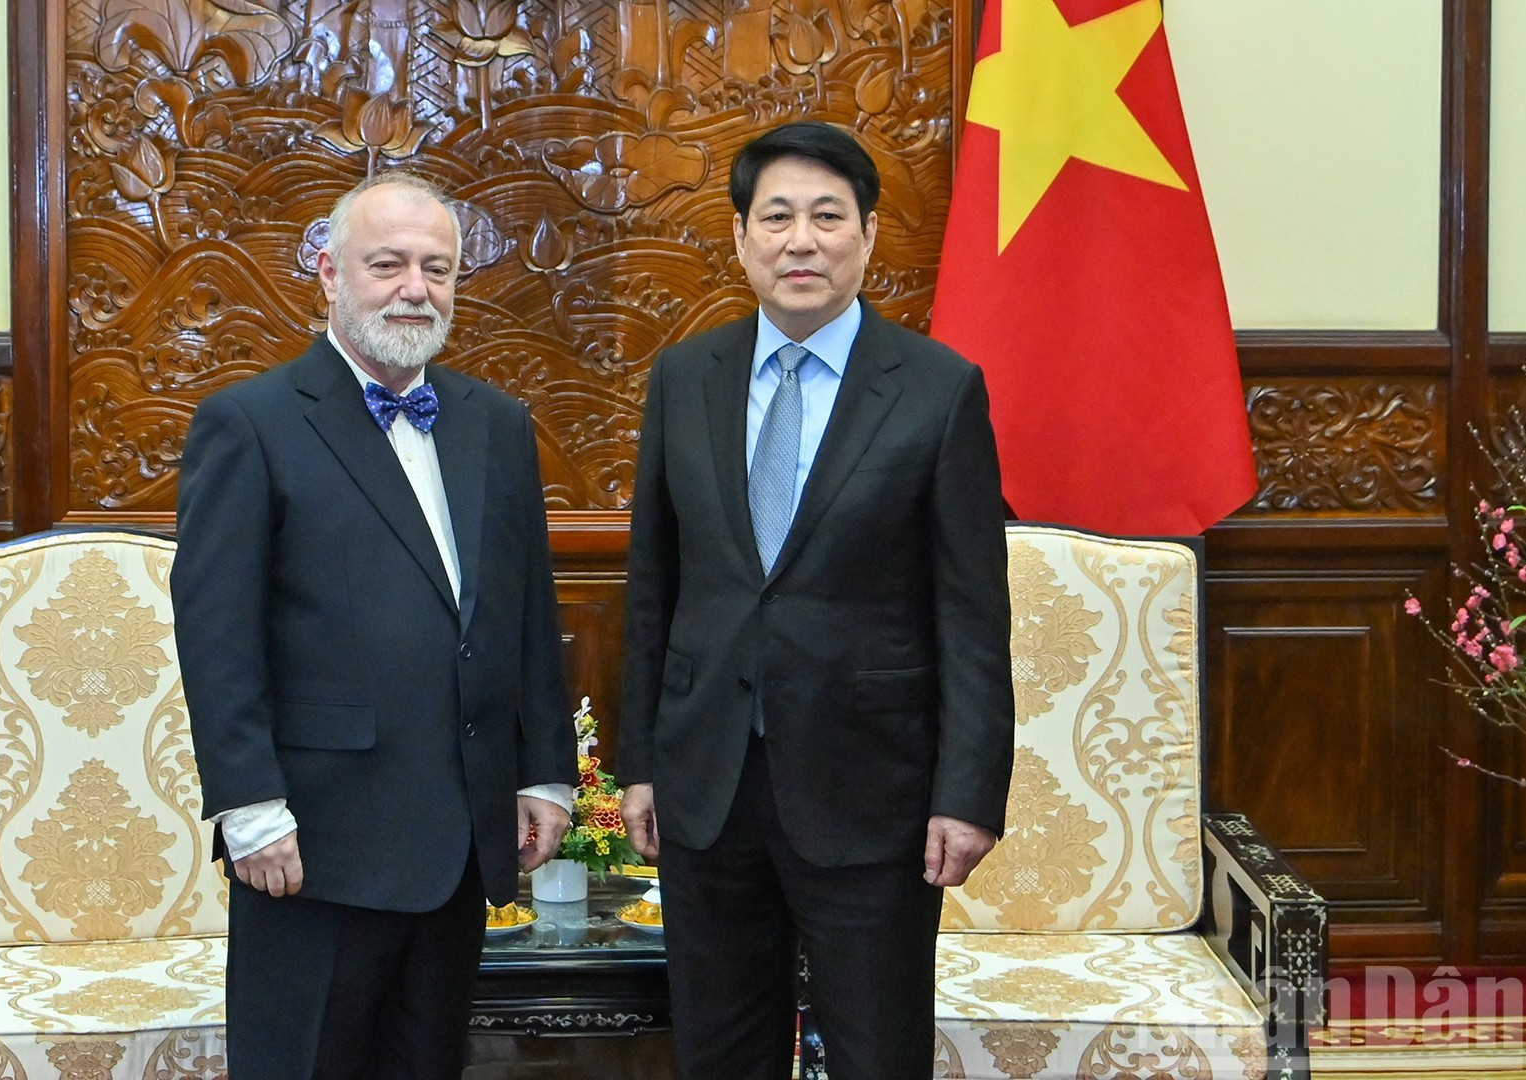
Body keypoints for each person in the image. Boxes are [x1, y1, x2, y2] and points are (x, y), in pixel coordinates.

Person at [615, 120, 1015, 1077]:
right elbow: (653, 587)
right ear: (742, 238)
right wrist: (641, 764)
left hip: (869, 788)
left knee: (878, 1051)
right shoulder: (684, 378)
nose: (802, 239)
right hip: (709, 783)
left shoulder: (938, 389)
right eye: (778, 216)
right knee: (720, 1050)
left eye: (828, 216)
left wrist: (968, 794)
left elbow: (972, 614)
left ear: (868, 236)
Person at [171, 172, 577, 1079]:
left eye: (437, 268)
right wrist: (248, 806)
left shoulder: (497, 423)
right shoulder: (251, 422)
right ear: (329, 271)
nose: (414, 288)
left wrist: (545, 772)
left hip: (458, 840)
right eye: (387, 263)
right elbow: (216, 633)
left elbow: (525, 611)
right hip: (313, 844)